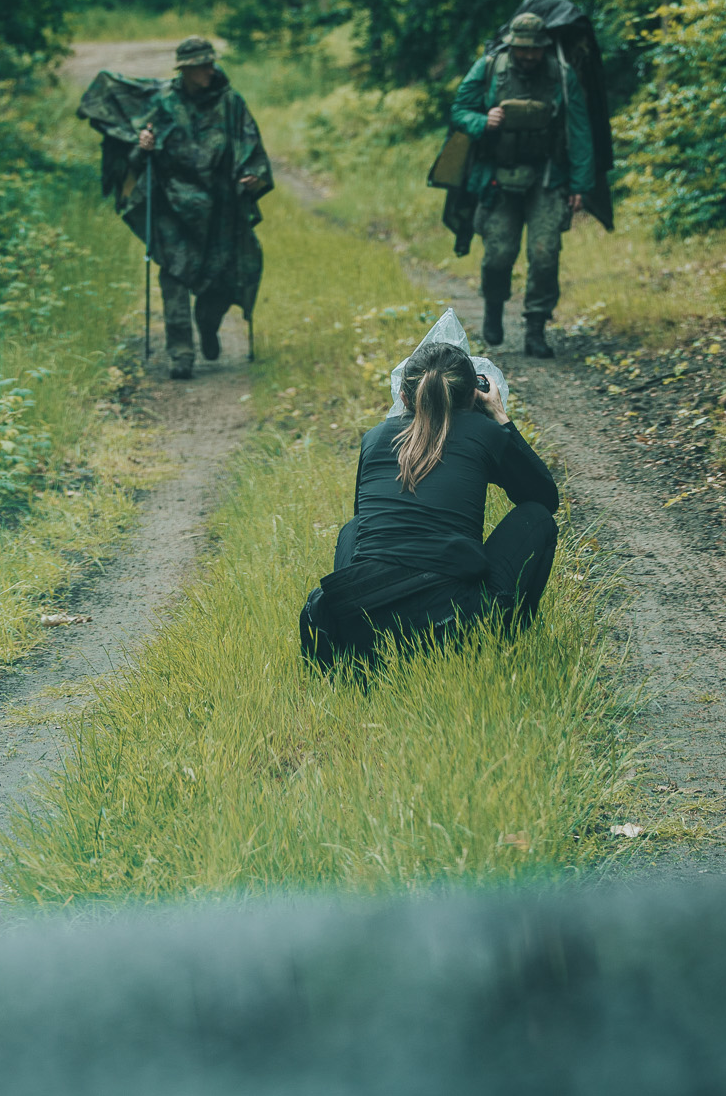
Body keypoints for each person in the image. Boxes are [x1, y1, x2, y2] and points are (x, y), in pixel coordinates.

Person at [299, 341, 559, 668]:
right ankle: (499, 640)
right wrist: (500, 417)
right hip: (450, 620)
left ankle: (369, 647)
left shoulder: (375, 437)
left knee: (354, 528)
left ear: (404, 397)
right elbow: (544, 499)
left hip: (363, 625)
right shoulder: (485, 431)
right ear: (472, 395)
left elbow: (365, 524)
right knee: (536, 517)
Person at [448, 11, 596, 358]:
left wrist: (580, 184)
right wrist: (483, 120)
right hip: (498, 178)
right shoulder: (488, 68)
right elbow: (458, 111)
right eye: (522, 49)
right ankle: (494, 307)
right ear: (511, 45)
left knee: (545, 254)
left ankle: (535, 327)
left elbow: (580, 130)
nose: (529, 55)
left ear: (544, 47)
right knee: (498, 253)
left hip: (547, 177)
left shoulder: (561, 74)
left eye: (535, 49)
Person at [131, 36, 273, 379]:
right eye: (202, 65)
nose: (210, 69)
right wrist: (144, 146)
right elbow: (137, 156)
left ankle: (208, 327)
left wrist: (253, 177)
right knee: (175, 275)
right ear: (186, 70)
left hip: (221, 209)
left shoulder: (230, 102)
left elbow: (252, 147)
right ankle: (180, 354)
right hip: (174, 208)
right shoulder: (163, 104)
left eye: (211, 63)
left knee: (221, 278)